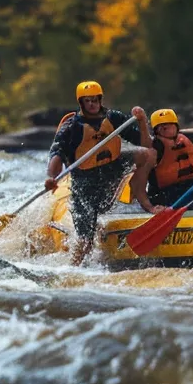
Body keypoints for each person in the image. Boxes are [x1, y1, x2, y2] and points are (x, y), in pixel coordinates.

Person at [45, 81, 158, 264]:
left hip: (111, 168)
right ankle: (72, 270)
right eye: (87, 101)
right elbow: (56, 154)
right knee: (85, 241)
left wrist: (142, 122)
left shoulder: (113, 117)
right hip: (85, 181)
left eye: (95, 100)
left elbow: (145, 143)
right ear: (81, 103)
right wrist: (51, 178)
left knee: (146, 154)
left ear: (100, 99)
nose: (92, 104)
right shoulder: (71, 126)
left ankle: (142, 198)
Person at [144, 109, 193, 209]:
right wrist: (142, 121)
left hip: (192, 185)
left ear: (176, 127)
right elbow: (145, 143)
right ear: (156, 131)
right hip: (166, 193)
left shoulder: (185, 137)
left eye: (170, 125)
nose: (167, 129)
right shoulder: (156, 146)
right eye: (162, 127)